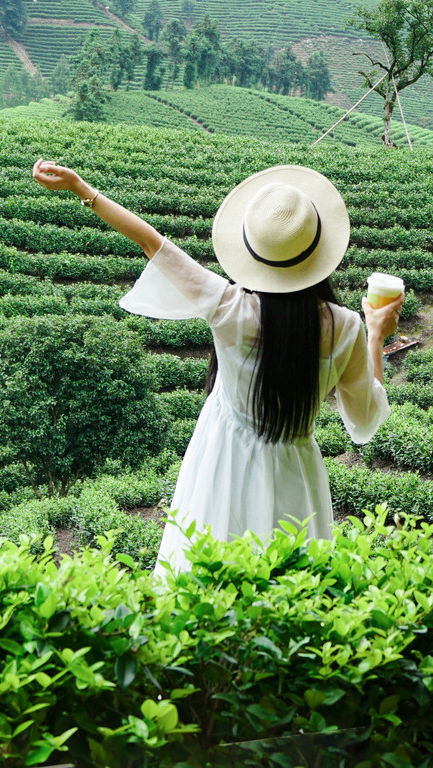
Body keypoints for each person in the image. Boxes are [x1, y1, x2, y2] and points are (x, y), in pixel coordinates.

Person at [31, 159, 399, 575]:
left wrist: (83, 188)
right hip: (296, 470)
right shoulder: (346, 326)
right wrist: (376, 335)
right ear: (318, 252)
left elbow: (154, 244)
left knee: (202, 579)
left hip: (223, 460)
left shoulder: (230, 308)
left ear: (256, 253)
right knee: (290, 593)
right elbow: (366, 419)